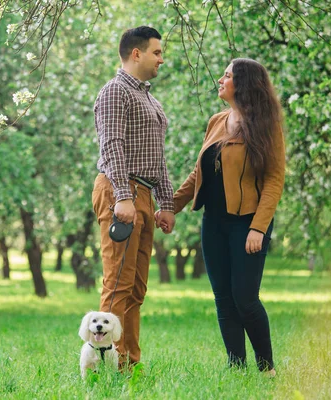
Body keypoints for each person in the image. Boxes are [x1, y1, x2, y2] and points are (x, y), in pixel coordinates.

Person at [160, 58, 285, 376]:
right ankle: (236, 366)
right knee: (224, 298)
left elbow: (273, 180)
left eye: (226, 76)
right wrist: (170, 205)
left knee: (245, 297)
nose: (220, 80)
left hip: (247, 223)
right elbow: (197, 173)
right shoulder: (216, 120)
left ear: (241, 85)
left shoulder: (265, 126)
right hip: (213, 222)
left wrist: (258, 227)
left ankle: (267, 368)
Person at [92, 26, 175, 369]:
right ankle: (103, 365)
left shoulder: (150, 99)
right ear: (136, 53)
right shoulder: (115, 92)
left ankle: (127, 365)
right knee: (117, 286)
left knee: (137, 289)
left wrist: (166, 203)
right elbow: (111, 145)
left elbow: (158, 157)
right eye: (157, 52)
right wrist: (123, 196)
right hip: (119, 191)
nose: (161, 59)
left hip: (143, 195)